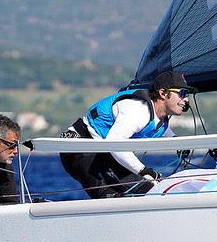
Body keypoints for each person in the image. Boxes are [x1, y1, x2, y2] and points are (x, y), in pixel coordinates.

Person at [59, 71, 191, 198]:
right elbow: (114, 142)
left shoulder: (161, 120)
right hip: (81, 148)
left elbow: (162, 131)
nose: (186, 100)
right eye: (182, 93)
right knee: (111, 197)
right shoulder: (138, 110)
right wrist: (143, 171)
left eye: (187, 95)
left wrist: (178, 143)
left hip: (107, 153)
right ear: (163, 93)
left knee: (149, 191)